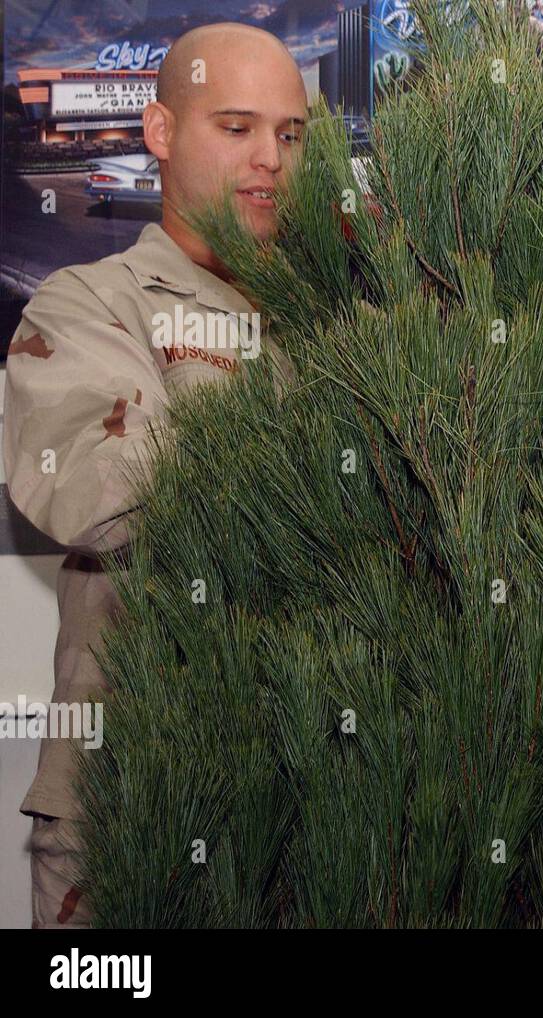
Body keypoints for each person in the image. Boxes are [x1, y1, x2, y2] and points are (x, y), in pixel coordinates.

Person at [3, 22, 306, 927]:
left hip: (313, 801)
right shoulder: (91, 304)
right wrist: (299, 429)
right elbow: (93, 493)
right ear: (162, 132)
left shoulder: (331, 318)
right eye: (237, 126)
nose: (269, 161)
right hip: (130, 810)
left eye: (290, 135)